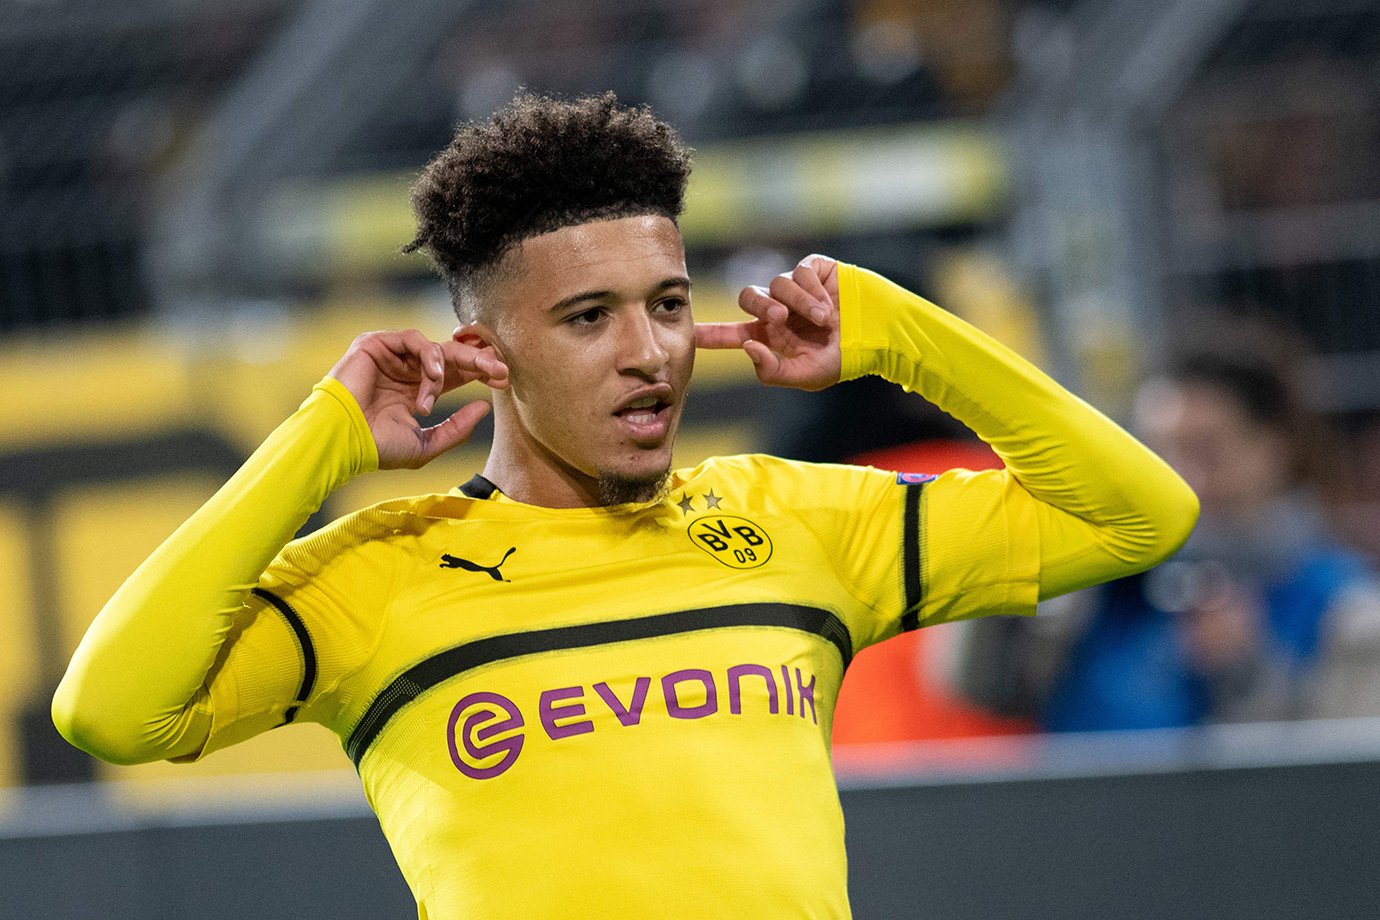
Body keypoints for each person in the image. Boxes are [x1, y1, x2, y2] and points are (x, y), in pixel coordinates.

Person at [52, 92, 1198, 918]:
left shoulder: (797, 520)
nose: (650, 353)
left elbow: (1139, 517)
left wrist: (904, 338)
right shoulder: (380, 572)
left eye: (666, 303)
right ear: (483, 352)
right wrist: (318, 444)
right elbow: (114, 710)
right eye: (589, 317)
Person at [960, 329, 1380, 731]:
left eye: (1206, 451)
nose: (1177, 479)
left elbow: (1341, 783)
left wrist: (1246, 674)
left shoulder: (1344, 609)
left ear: (1275, 446)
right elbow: (979, 689)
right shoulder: (1103, 585)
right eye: (1156, 454)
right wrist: (1009, 571)